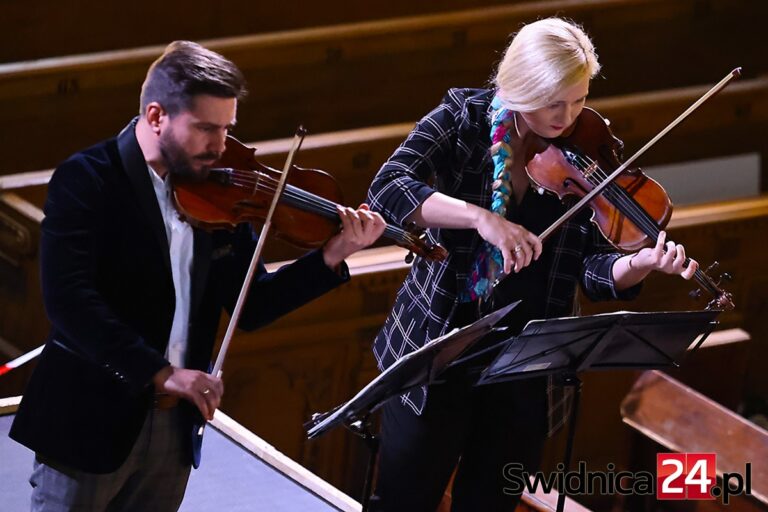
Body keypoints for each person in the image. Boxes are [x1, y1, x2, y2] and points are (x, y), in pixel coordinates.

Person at [10, 40, 386, 512]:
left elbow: (253, 306)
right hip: (89, 421)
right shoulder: (88, 180)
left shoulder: (218, 189)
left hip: (173, 430)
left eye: (227, 128)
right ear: (155, 117)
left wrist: (333, 254)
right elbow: (69, 301)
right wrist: (163, 374)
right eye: (206, 129)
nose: (222, 145)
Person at [366, 18, 698, 511]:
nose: (567, 117)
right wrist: (480, 218)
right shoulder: (462, 118)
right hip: (438, 351)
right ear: (519, 87)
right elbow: (387, 187)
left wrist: (640, 264)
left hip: (525, 362)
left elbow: (591, 269)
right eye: (552, 102)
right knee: (405, 500)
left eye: (579, 99)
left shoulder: (587, 149)